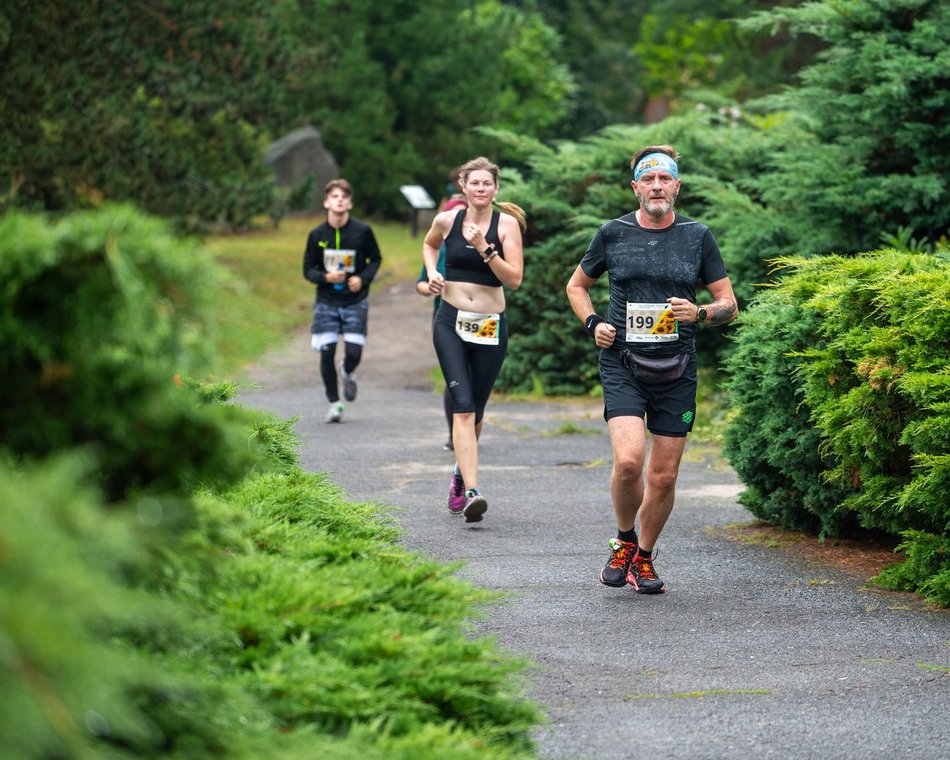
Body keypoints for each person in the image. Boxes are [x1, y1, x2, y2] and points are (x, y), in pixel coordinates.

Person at [565, 145, 737, 593]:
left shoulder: (698, 236)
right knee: (628, 461)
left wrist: (698, 314)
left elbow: (729, 305)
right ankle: (623, 541)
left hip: (677, 367)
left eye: (665, 179)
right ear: (636, 187)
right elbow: (576, 286)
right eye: (649, 179)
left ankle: (644, 556)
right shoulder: (613, 233)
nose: (657, 186)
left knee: (663, 476)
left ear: (677, 187)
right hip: (622, 362)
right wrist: (593, 323)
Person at [422, 156, 526, 522]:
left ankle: (457, 473)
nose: (481, 189)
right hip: (450, 321)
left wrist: (485, 247)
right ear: (463, 187)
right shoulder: (447, 220)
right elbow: (430, 245)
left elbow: (514, 279)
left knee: (477, 410)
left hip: (489, 324)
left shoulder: (507, 225)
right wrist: (434, 272)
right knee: (462, 405)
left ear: (495, 189)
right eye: (474, 183)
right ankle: (472, 490)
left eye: (487, 184)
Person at [303, 178, 382, 423]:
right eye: (335, 196)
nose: (340, 200)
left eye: (344, 197)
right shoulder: (317, 234)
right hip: (327, 301)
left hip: (355, 300)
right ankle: (334, 403)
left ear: (350, 203)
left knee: (354, 352)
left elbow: (376, 259)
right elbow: (308, 269)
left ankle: (346, 371)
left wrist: (362, 278)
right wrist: (325, 276)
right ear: (326, 202)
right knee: (326, 352)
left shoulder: (362, 231)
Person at [416, 180, 468, 451]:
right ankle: (454, 434)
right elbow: (420, 283)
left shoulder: (481, 243)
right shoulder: (438, 247)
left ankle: (471, 428)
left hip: (481, 318)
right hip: (445, 316)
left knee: (474, 376)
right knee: (454, 375)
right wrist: (432, 285)